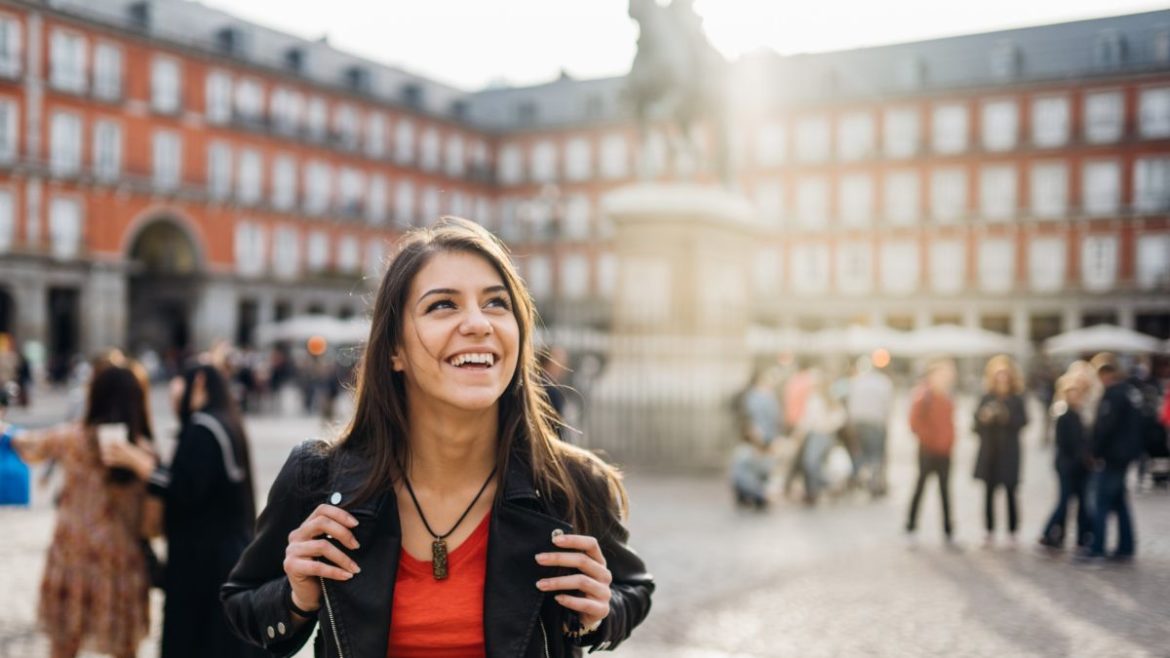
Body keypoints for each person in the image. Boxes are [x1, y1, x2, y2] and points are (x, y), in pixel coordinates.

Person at [221, 217, 654, 657]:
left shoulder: (572, 482)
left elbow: (633, 588)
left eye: (496, 303)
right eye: (443, 305)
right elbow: (242, 600)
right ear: (395, 350)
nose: (478, 323)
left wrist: (600, 612)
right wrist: (296, 597)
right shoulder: (318, 478)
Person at [102, 363, 265, 658]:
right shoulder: (224, 421)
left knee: (196, 641)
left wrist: (139, 463)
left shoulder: (204, 427)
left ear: (199, 382)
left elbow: (185, 488)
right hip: (225, 555)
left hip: (203, 562)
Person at [4, 360, 154, 658]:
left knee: (64, 644)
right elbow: (152, 517)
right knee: (124, 647)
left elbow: (29, 446)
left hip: (72, 552)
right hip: (120, 560)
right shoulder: (142, 450)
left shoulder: (72, 438)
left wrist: (7, 432)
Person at [1080, 360, 1145, 562]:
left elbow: (1105, 427)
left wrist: (1093, 451)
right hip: (1125, 455)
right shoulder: (1130, 393)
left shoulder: (1113, 395)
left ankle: (1097, 548)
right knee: (1119, 502)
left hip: (1113, 456)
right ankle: (1126, 546)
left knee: (1101, 502)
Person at [972, 355, 1029, 549]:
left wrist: (1006, 417)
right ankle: (989, 530)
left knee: (1011, 492)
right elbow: (975, 425)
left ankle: (1012, 531)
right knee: (988, 493)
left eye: (1005, 374)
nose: (1002, 378)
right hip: (990, 452)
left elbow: (1024, 422)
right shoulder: (986, 397)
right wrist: (984, 418)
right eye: (998, 374)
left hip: (1009, 452)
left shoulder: (1017, 398)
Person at [905, 358, 958, 545]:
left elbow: (950, 424)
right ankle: (911, 525)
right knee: (920, 487)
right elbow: (914, 423)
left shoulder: (947, 396)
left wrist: (949, 442)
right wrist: (930, 439)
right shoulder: (923, 395)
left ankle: (948, 529)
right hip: (927, 450)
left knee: (945, 490)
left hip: (945, 451)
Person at [1039, 373, 1093, 550]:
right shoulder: (1064, 415)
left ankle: (1081, 536)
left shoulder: (1081, 414)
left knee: (1081, 502)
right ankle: (1050, 532)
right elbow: (1067, 444)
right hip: (1067, 466)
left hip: (1080, 468)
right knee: (1064, 501)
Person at [793, 368, 846, 505]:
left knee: (811, 463)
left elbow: (840, 417)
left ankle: (823, 486)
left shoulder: (827, 398)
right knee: (812, 464)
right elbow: (807, 419)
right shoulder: (815, 398)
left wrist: (828, 426)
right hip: (815, 434)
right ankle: (814, 490)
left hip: (822, 435)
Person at [846, 355, 894, 497]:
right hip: (875, 422)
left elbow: (850, 404)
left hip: (858, 422)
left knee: (859, 453)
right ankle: (874, 483)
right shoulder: (883, 382)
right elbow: (887, 405)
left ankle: (857, 478)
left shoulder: (855, 382)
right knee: (875, 455)